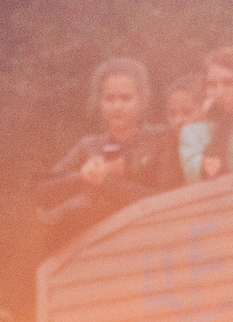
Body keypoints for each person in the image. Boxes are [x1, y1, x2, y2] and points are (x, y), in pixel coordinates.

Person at [34, 60, 179, 246]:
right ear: (100, 101)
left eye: (126, 98)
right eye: (109, 99)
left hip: (151, 245)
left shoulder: (162, 139)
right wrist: (83, 177)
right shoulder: (89, 146)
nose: (117, 106)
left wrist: (106, 181)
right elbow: (42, 191)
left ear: (143, 99)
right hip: (96, 253)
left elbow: (168, 200)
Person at [180, 48, 233, 182]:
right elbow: (201, 179)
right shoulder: (193, 134)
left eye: (228, 83)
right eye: (212, 85)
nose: (219, 93)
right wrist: (220, 124)